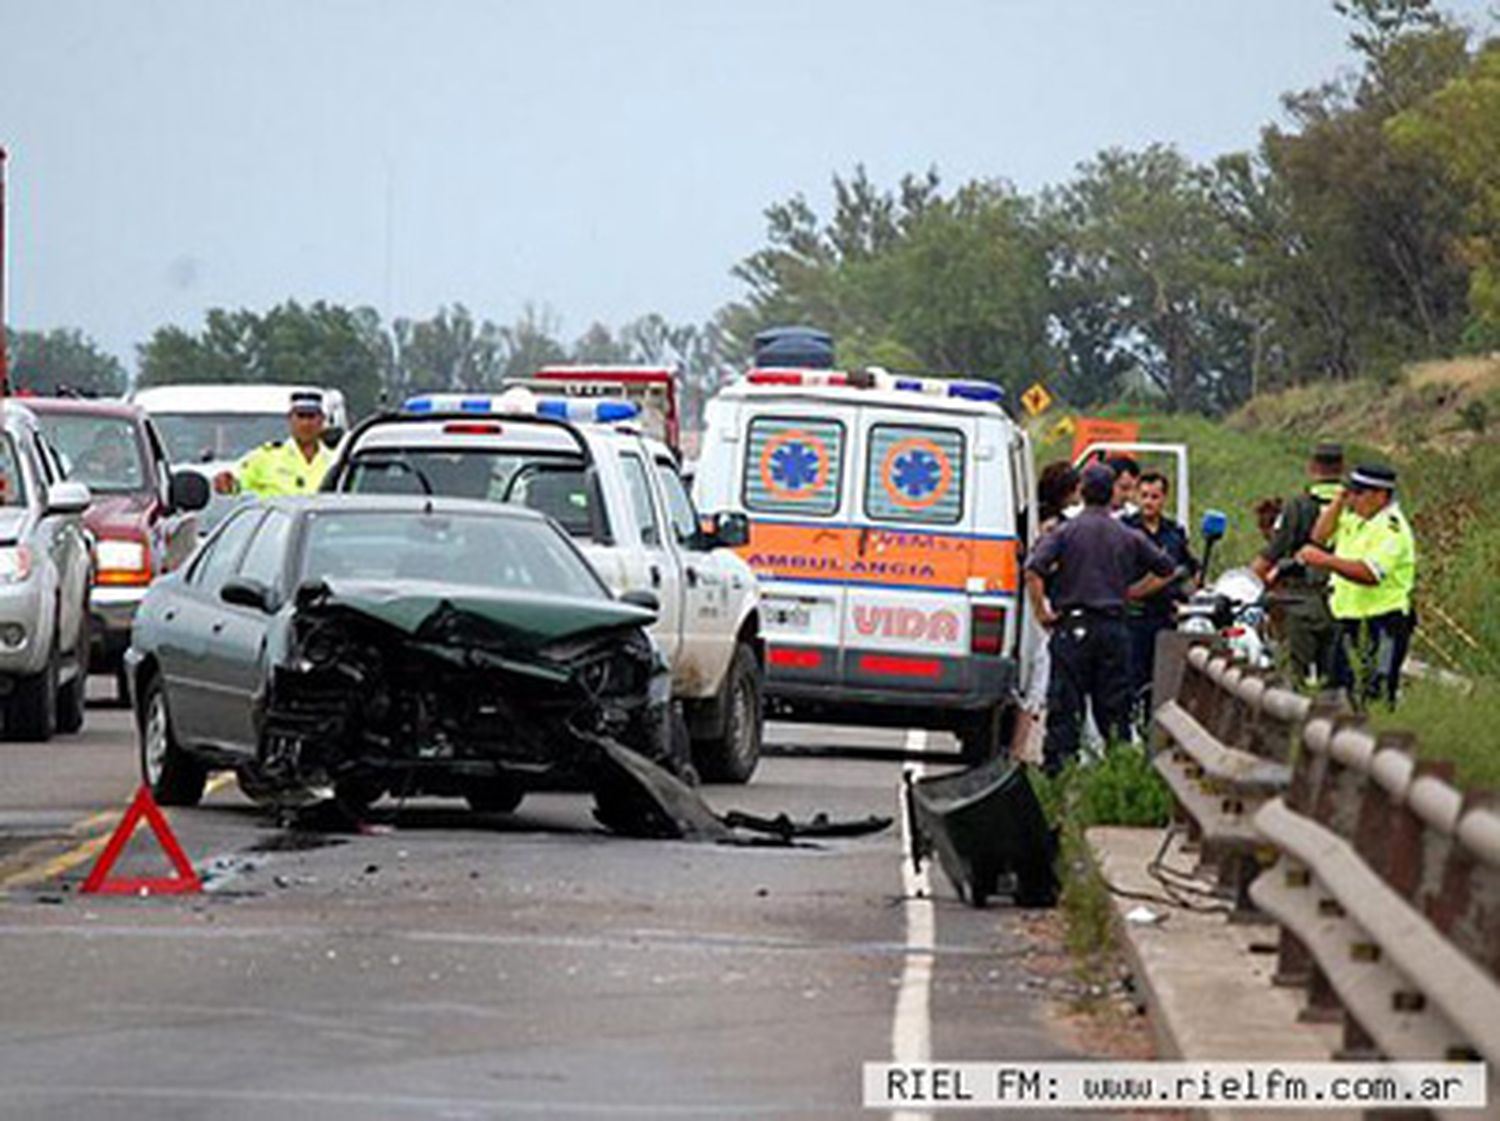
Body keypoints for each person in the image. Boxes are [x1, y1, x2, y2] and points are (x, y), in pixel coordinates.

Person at [1024, 464, 1177, 776]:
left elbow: (1033, 569)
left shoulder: (1064, 532)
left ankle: (1057, 778)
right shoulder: (1127, 535)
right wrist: (1133, 591)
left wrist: (1042, 612)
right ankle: (1119, 775)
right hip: (1114, 628)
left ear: (1082, 491)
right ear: (1112, 495)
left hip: (1072, 629)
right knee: (1115, 710)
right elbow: (1166, 568)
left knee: (1065, 709)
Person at [1296, 464, 1416, 708]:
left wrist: (1325, 561)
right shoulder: (1355, 520)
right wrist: (1339, 500)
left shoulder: (1392, 529)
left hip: (1383, 624)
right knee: (1339, 694)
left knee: (1374, 696)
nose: (1353, 499)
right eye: (1350, 492)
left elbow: (1370, 573)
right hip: (1349, 621)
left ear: (1381, 496)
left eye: (1359, 493)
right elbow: (1319, 537)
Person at [1250, 441, 1344, 685]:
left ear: (1312, 467)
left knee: (1293, 677)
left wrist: (1247, 583)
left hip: (1302, 602)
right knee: (1337, 678)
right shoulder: (1355, 506)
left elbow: (1273, 554)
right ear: (1342, 467)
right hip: (1346, 601)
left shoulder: (1298, 506)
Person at [1012, 461, 1082, 760]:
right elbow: (1045, 565)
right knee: (1041, 672)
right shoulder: (1058, 525)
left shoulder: (1025, 516)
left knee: (1027, 671)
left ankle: (1018, 746)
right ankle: (1024, 748)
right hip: (1044, 601)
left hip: (1021, 599)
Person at [1122, 471, 1199, 718]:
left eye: (1154, 496)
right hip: (1132, 618)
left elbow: (1189, 570)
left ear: (1164, 498)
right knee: (1131, 681)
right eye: (1143, 495)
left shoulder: (1174, 532)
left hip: (1165, 617)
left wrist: (1190, 594)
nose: (1148, 502)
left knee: (1162, 683)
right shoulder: (1124, 529)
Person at [216, 391, 332, 498]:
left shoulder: (335, 459)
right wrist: (226, 483)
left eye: (311, 417)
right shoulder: (266, 457)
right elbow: (235, 483)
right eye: (300, 416)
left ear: (322, 420)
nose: (305, 423)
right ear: (290, 419)